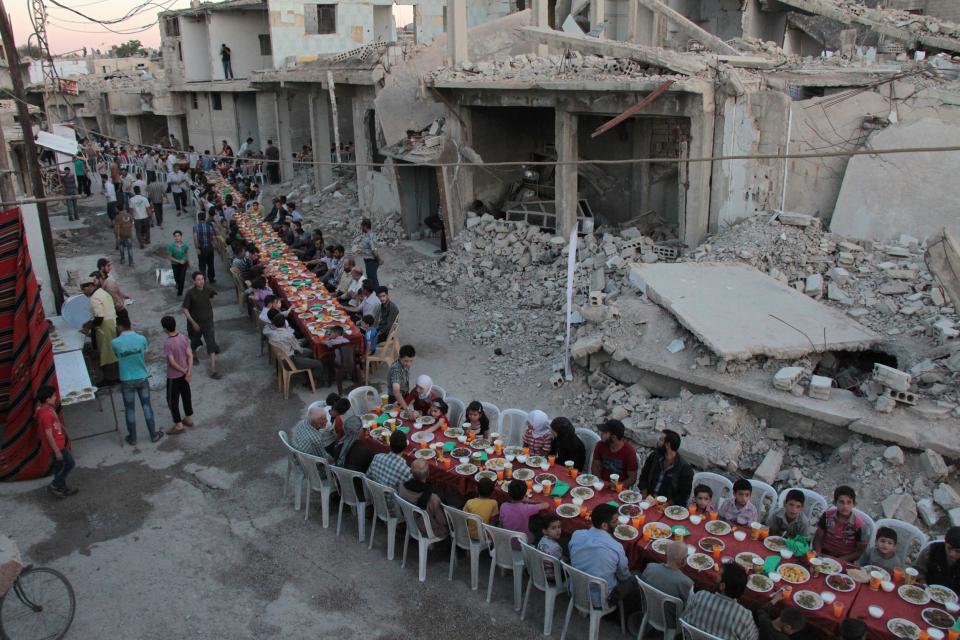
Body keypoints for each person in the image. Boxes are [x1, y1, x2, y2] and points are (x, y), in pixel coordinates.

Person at [111, 316, 163, 446]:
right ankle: (153, 435)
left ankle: (133, 438)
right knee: (146, 406)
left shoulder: (115, 342)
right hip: (141, 377)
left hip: (126, 379)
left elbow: (117, 356)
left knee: (129, 409)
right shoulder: (141, 339)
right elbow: (145, 355)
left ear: (120, 326)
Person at [569, 504, 631, 605]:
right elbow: (623, 576)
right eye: (615, 521)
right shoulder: (616, 547)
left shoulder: (577, 534)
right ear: (604, 525)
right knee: (634, 577)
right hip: (600, 598)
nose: (618, 523)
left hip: (575, 588)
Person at [681, 563, 758, 640]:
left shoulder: (700, 596)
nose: (715, 576)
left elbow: (684, 619)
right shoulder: (745, 617)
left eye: (718, 575)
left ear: (722, 586)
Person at [36, 386, 77, 497]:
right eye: (53, 396)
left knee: (59, 467)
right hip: (57, 447)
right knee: (70, 463)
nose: (56, 397)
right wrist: (57, 451)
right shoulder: (46, 415)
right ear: (47, 399)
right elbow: (48, 434)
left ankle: (61, 487)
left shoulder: (47, 409)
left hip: (57, 444)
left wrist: (61, 427)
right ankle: (54, 484)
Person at [635, 428, 692, 506]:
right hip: (648, 500)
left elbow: (683, 495)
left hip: (668, 508)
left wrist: (667, 504)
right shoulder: (654, 456)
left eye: (661, 440)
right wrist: (645, 493)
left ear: (668, 445)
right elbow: (643, 476)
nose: (658, 442)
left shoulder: (684, 468)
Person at [265, 314, 327, 384]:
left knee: (310, 352)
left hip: (281, 359)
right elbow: (299, 349)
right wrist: (299, 343)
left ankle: (309, 372)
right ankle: (315, 382)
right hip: (290, 361)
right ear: (285, 323)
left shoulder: (271, 334)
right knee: (318, 363)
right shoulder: (288, 335)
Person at [181, 271, 221, 379]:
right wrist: (193, 322)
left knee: (211, 344)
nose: (201, 281)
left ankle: (213, 370)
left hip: (208, 323)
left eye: (202, 279)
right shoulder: (190, 293)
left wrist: (209, 304)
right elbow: (184, 309)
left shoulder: (207, 289)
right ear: (194, 281)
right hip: (196, 325)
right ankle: (193, 354)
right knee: (195, 342)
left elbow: (213, 295)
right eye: (198, 279)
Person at [80, 275, 119, 384]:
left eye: (84, 289)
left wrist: (88, 327)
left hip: (105, 327)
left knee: (107, 354)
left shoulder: (94, 298)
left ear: (90, 286)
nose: (83, 292)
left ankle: (110, 378)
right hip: (111, 323)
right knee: (111, 352)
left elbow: (99, 318)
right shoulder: (102, 292)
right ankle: (115, 376)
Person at [813, 486, 867, 562]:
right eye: (841, 502)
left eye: (849, 502)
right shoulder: (827, 516)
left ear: (854, 504)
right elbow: (818, 539)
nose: (845, 506)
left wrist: (837, 561)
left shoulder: (859, 525)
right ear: (835, 503)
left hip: (845, 559)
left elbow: (859, 552)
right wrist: (818, 556)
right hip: (824, 554)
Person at [398, 459, 449, 538]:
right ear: (428, 473)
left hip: (409, 522)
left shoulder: (401, 486)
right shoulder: (432, 499)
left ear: (411, 472)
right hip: (429, 530)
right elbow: (443, 521)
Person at [160, 315, 193, 435]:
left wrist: (183, 371)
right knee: (186, 396)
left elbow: (172, 362)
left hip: (173, 376)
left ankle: (178, 424)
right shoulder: (183, 338)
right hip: (184, 375)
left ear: (165, 329)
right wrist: (188, 371)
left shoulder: (168, 343)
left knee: (172, 400)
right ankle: (189, 418)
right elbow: (190, 355)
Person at [592, 419, 640, 489]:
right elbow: (595, 466)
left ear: (613, 437)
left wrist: (616, 486)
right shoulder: (600, 445)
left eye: (605, 433)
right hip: (601, 485)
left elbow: (632, 479)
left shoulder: (629, 452)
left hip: (619, 489)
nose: (601, 434)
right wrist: (599, 481)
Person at [367, 430, 412, 498]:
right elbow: (408, 495)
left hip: (375, 497)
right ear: (405, 446)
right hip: (393, 505)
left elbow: (368, 477)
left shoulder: (377, 457)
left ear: (390, 444)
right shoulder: (406, 471)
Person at [915, 526, 960, 592]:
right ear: (945, 543)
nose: (952, 554)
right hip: (927, 592)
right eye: (949, 548)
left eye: (958, 551)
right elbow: (919, 570)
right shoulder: (931, 550)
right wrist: (924, 586)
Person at [96, 258, 130, 324]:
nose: (110, 268)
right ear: (102, 267)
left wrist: (124, 296)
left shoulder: (105, 277)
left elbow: (116, 290)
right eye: (108, 266)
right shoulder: (98, 279)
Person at [532, 514, 564, 580]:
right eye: (553, 528)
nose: (558, 530)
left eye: (559, 527)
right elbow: (560, 565)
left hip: (539, 571)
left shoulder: (542, 539)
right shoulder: (556, 548)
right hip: (552, 577)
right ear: (545, 531)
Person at [193, 211, 217, 283]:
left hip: (202, 249)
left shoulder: (195, 227)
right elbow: (212, 237)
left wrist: (197, 248)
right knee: (210, 264)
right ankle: (211, 279)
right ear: (205, 218)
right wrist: (215, 246)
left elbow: (195, 238)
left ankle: (203, 280)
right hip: (209, 248)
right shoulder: (209, 227)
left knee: (202, 265)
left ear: (198, 218)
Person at [359, 218, 382, 289]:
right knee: (371, 279)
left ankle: (378, 295)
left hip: (371, 261)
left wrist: (379, 260)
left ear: (365, 226)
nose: (361, 228)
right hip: (368, 261)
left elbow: (374, 250)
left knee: (373, 280)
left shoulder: (370, 236)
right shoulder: (366, 235)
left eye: (362, 226)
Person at [168, 230, 190, 297]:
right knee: (176, 277)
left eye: (178, 236)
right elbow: (169, 257)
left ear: (181, 237)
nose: (177, 237)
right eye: (175, 236)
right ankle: (177, 283)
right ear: (174, 237)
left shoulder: (185, 245)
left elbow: (186, 253)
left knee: (182, 277)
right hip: (175, 264)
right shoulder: (171, 246)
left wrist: (187, 260)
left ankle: (180, 292)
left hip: (183, 263)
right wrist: (178, 261)